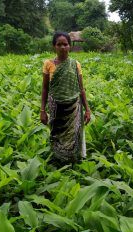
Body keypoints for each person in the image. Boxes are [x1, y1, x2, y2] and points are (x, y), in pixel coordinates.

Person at [40, 31, 91, 163]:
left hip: (74, 106)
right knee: (57, 134)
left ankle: (73, 161)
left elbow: (81, 88)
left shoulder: (75, 64)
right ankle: (59, 160)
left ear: (70, 46)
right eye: (59, 44)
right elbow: (45, 89)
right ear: (54, 46)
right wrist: (42, 111)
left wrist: (87, 109)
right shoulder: (48, 64)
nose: (62, 47)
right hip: (56, 106)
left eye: (65, 44)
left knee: (74, 134)